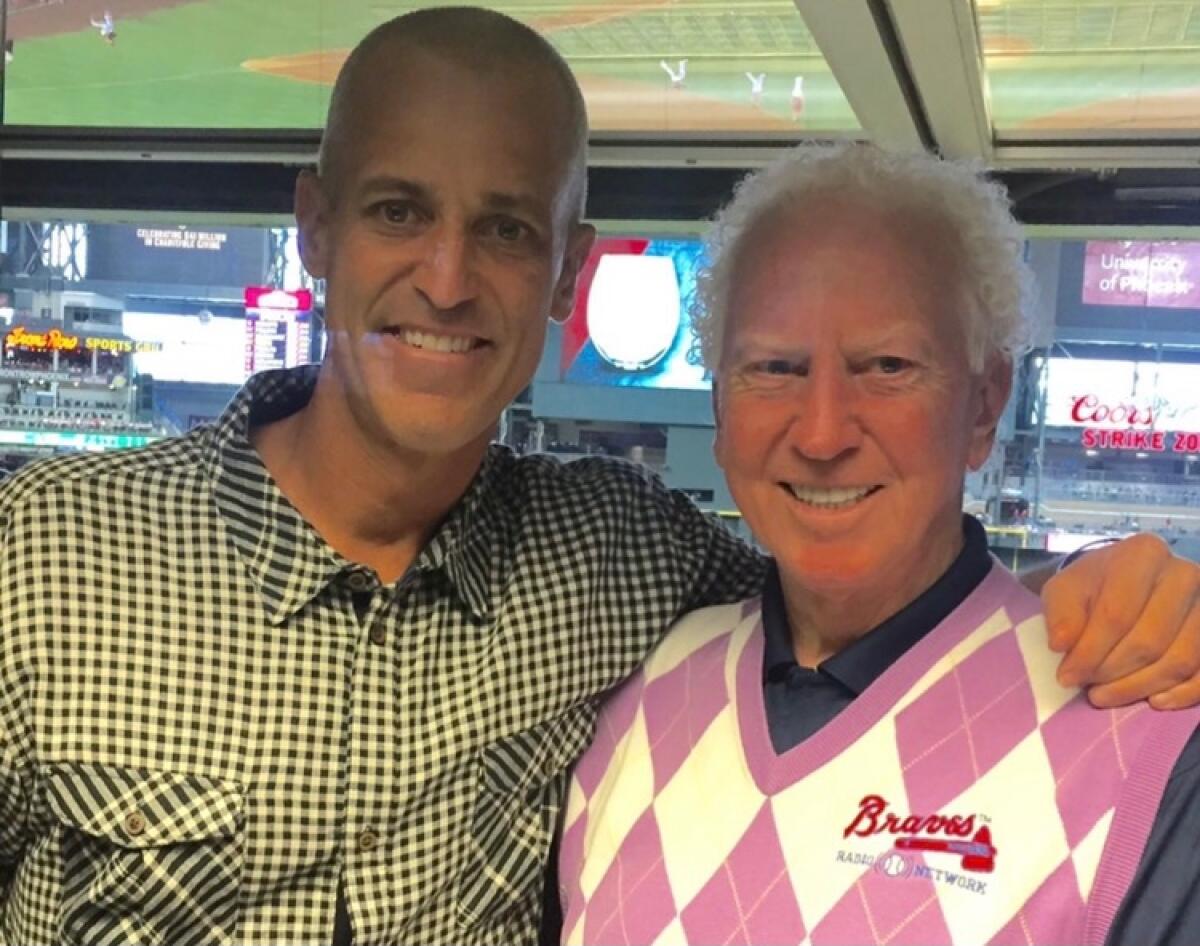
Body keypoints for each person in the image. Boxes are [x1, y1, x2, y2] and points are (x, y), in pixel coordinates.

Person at [0, 9, 1197, 946]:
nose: (449, 277)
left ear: (570, 270)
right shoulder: (38, 557)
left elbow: (885, 601)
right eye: (397, 211)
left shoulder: (618, 558)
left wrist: (1104, 591)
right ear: (314, 229)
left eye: (509, 229)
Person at [558, 144, 1200, 946]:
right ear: (721, 409)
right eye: (775, 367)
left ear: (983, 405)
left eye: (887, 366)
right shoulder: (639, 686)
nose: (823, 433)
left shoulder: (1147, 736)